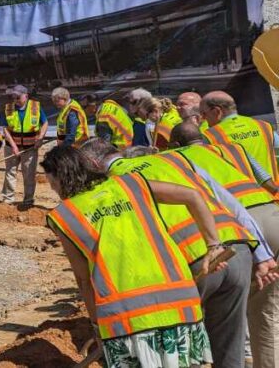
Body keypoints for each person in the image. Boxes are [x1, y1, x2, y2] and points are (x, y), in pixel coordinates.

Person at [82, 137, 274, 367]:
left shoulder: (114, 184)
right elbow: (232, 204)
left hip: (194, 260)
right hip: (236, 249)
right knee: (231, 346)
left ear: (93, 163)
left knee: (184, 347)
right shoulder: (174, 160)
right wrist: (262, 255)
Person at [43, 146, 223, 368]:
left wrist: (97, 326)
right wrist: (214, 245)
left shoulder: (65, 215)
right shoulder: (131, 184)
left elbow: (83, 280)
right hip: (180, 302)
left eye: (52, 183)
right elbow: (192, 195)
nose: (53, 189)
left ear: (61, 178)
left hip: (126, 318)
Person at [172, 120, 279, 368]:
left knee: (228, 300)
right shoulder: (228, 148)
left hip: (236, 226)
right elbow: (265, 178)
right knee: (267, 312)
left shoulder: (173, 160)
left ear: (175, 144)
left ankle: (240, 355)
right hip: (271, 216)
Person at [200, 91, 279, 196]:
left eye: (204, 114)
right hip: (274, 193)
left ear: (217, 111)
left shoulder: (209, 136)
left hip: (247, 197)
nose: (203, 119)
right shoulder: (263, 126)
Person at [1, 85, 47, 206]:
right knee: (10, 172)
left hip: (30, 148)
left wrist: (40, 138)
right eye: (13, 97)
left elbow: (45, 123)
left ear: (26, 96)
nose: (15, 99)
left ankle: (28, 200)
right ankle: (8, 199)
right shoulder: (8, 108)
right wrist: (14, 146)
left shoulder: (36, 107)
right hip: (11, 147)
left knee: (29, 175)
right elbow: (5, 129)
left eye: (18, 97)